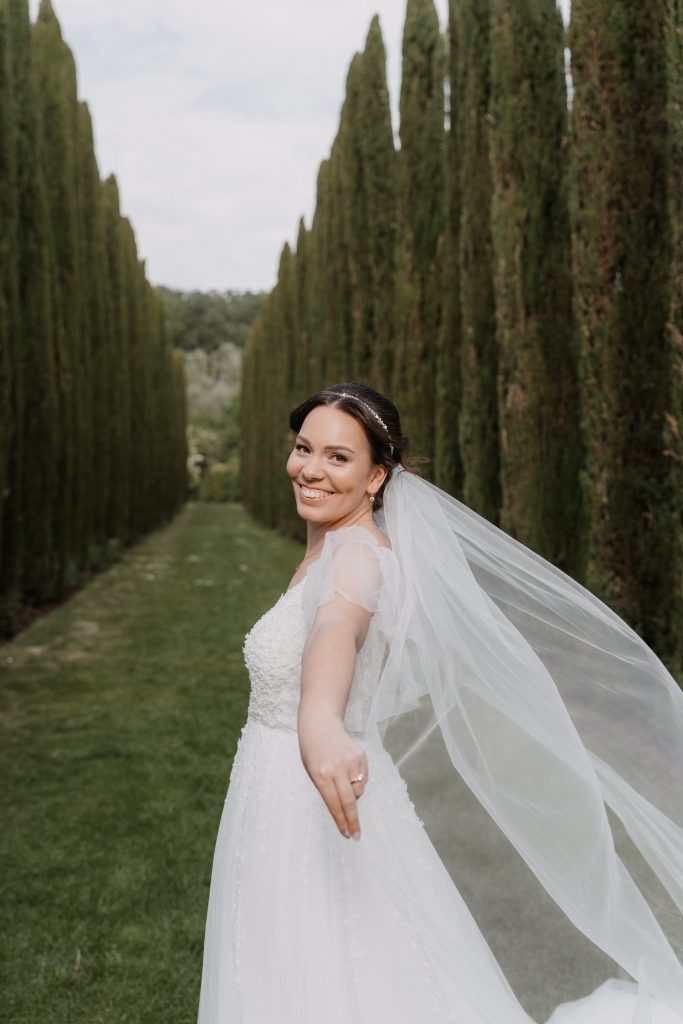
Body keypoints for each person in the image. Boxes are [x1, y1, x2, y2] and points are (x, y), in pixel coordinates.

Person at [197, 382, 683, 1024]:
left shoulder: (355, 559)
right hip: (293, 790)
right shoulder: (331, 547)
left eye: (338, 458)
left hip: (313, 792)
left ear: (377, 477)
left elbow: (335, 632)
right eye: (303, 448)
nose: (310, 469)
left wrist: (318, 720)